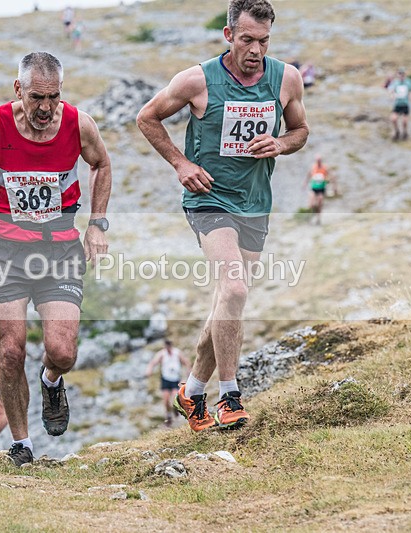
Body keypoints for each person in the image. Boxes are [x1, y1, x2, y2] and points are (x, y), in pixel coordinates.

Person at [137, 0, 308, 431]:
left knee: (225, 302)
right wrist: (181, 163)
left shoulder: (286, 78)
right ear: (229, 35)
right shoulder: (197, 80)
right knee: (233, 289)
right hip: (209, 200)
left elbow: (300, 130)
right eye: (247, 39)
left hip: (255, 202)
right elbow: (147, 117)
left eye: (264, 41)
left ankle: (191, 392)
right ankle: (229, 397)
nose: (256, 50)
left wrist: (281, 145)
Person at [0, 52, 112, 466]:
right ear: (18, 89)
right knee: (11, 350)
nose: (45, 108)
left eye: (53, 97)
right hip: (4, 250)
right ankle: (22, 444)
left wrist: (98, 223)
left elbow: (101, 164)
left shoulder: (79, 124)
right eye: (36, 97)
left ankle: (51, 380)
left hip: (59, 250)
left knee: (62, 351)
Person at [145, 339, 192, 426]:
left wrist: (188, 370)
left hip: (175, 378)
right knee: (166, 399)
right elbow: (153, 362)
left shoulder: (177, 352)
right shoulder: (162, 354)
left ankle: (175, 410)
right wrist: (149, 370)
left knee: (175, 397)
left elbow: (185, 361)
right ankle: (168, 415)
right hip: (166, 379)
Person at [304, 155, 331, 225]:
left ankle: (318, 218)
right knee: (311, 204)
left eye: (319, 160)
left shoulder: (325, 168)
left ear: (321, 161)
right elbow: (308, 175)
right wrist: (305, 183)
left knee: (320, 203)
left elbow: (330, 176)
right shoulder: (313, 167)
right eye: (317, 161)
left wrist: (328, 181)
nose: (318, 162)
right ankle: (310, 217)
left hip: (321, 188)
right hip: (313, 188)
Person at [389, 68, 411, 141]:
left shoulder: (408, 82)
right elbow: (391, 90)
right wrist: (392, 95)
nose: (401, 75)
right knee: (393, 119)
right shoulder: (395, 83)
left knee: (404, 121)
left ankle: (405, 132)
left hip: (405, 104)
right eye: (400, 73)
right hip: (397, 104)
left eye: (402, 74)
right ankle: (397, 131)